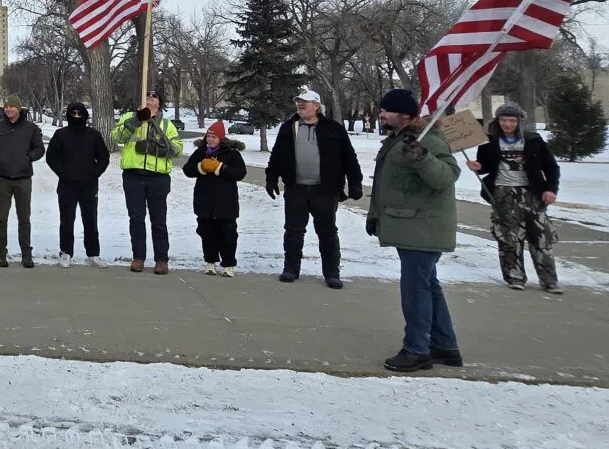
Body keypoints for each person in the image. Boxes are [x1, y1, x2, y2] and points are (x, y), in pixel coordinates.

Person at [366, 89, 463, 372]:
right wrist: (376, 216)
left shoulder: (428, 140)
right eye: (382, 109)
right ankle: (446, 347)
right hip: (409, 224)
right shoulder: (399, 140)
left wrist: (421, 156)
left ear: (406, 114)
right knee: (428, 286)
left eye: (387, 110)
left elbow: (446, 176)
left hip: (422, 228)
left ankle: (417, 350)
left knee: (415, 290)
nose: (381, 114)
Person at [266, 89, 365, 289]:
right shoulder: (289, 127)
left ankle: (332, 273)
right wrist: (271, 178)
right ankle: (291, 269)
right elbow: (277, 155)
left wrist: (355, 183)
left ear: (317, 106)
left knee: (327, 232)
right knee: (293, 231)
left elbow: (349, 157)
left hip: (325, 190)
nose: (300, 105)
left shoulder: (333, 128)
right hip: (296, 189)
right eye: (298, 102)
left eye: (305, 102)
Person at [469, 103, 562, 293]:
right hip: (503, 194)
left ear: (519, 121)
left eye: (512, 120)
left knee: (540, 238)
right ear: (498, 121)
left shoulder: (533, 140)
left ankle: (549, 280)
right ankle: (514, 276)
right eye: (503, 120)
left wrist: (551, 189)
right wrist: (477, 166)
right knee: (509, 239)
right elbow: (486, 166)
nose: (508, 124)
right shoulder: (489, 141)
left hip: (532, 193)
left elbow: (551, 167)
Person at [110, 91, 184, 274]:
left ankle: (161, 259)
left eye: (154, 98)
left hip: (157, 177)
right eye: (147, 97)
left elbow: (176, 150)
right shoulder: (129, 117)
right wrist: (136, 120)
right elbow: (117, 137)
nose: (150, 100)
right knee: (136, 219)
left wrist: (153, 148)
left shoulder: (166, 125)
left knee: (158, 220)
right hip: (133, 176)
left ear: (159, 104)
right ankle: (138, 257)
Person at [0, 95, 46, 268]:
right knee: (1, 218)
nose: (9, 109)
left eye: (12, 106)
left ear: (19, 109)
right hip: (2, 178)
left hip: (23, 178)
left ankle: (26, 254)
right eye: (6, 106)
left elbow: (39, 149)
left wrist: (28, 157)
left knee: (24, 218)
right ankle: (1, 253)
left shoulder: (30, 128)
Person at [45, 102, 110, 268]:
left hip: (89, 185)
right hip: (67, 185)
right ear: (68, 115)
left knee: (91, 220)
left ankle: (93, 254)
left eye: (79, 113)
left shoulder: (94, 135)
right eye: (72, 113)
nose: (76, 116)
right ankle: (66, 252)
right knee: (66, 220)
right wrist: (62, 173)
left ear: (85, 116)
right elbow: (51, 157)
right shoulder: (61, 135)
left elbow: (103, 157)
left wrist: (94, 173)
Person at [183, 120, 247, 277]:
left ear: (221, 139)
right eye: (208, 136)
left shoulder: (232, 154)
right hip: (204, 201)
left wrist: (220, 168)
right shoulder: (201, 152)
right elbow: (188, 170)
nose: (210, 139)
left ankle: (229, 264)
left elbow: (240, 173)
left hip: (226, 203)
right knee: (207, 232)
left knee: (228, 234)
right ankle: (210, 262)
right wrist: (201, 167)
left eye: (214, 137)